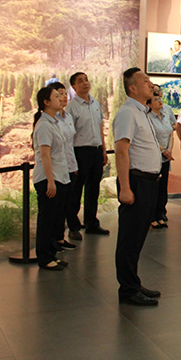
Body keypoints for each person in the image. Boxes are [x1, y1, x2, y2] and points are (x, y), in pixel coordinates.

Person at [113, 68, 162, 306]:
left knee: (138, 237)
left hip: (148, 182)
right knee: (129, 238)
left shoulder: (142, 111)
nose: (151, 84)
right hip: (136, 181)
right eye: (145, 81)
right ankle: (128, 289)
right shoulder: (127, 113)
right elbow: (122, 151)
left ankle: (133, 282)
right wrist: (125, 187)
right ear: (132, 88)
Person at [31, 86, 71, 271]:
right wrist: (50, 181)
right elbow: (45, 155)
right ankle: (44, 257)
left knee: (55, 218)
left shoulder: (54, 122)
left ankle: (52, 253)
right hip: (49, 178)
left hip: (59, 177)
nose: (60, 98)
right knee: (46, 220)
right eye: (56, 96)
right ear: (46, 102)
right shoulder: (44, 125)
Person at [67, 72, 109, 237]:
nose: (85, 83)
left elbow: (100, 127)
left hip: (96, 150)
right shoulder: (72, 107)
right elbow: (69, 134)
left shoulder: (95, 103)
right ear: (74, 87)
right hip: (80, 151)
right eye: (80, 81)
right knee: (76, 190)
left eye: (86, 80)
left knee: (93, 189)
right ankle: (73, 226)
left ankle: (91, 223)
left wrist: (103, 149)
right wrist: (71, 158)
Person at [47, 82, 79, 250]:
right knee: (54, 207)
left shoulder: (68, 117)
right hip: (57, 168)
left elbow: (70, 143)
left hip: (70, 167)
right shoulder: (49, 120)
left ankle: (60, 237)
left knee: (65, 204)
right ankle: (51, 241)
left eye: (65, 93)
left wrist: (74, 165)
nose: (63, 97)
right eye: (59, 94)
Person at [148, 91, 175, 229]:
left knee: (163, 188)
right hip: (154, 157)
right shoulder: (148, 118)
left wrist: (169, 150)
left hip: (165, 158)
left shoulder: (165, 116)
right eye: (155, 99)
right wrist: (163, 151)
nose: (160, 101)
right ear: (149, 104)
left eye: (160, 98)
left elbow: (170, 134)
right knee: (153, 188)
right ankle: (151, 217)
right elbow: (151, 137)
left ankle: (160, 215)